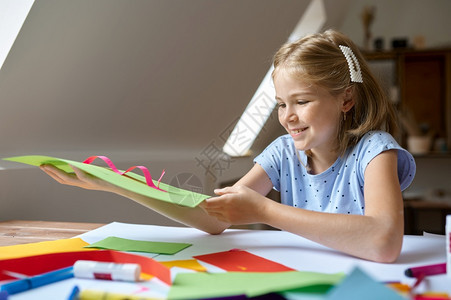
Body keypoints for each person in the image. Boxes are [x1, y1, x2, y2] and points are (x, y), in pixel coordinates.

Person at [40, 29, 415, 263]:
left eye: (302, 102)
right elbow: (213, 216)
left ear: (346, 99)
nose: (288, 116)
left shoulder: (375, 151)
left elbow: (383, 243)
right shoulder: (283, 152)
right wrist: (113, 183)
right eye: (282, 104)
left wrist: (265, 211)